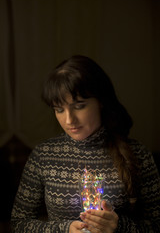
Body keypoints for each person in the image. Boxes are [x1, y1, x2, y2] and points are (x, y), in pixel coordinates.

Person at [11, 55, 160, 232]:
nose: (69, 120)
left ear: (101, 101)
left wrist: (119, 226)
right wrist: (64, 229)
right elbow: (19, 223)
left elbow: (156, 225)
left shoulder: (138, 154)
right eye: (59, 110)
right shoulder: (43, 155)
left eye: (79, 106)